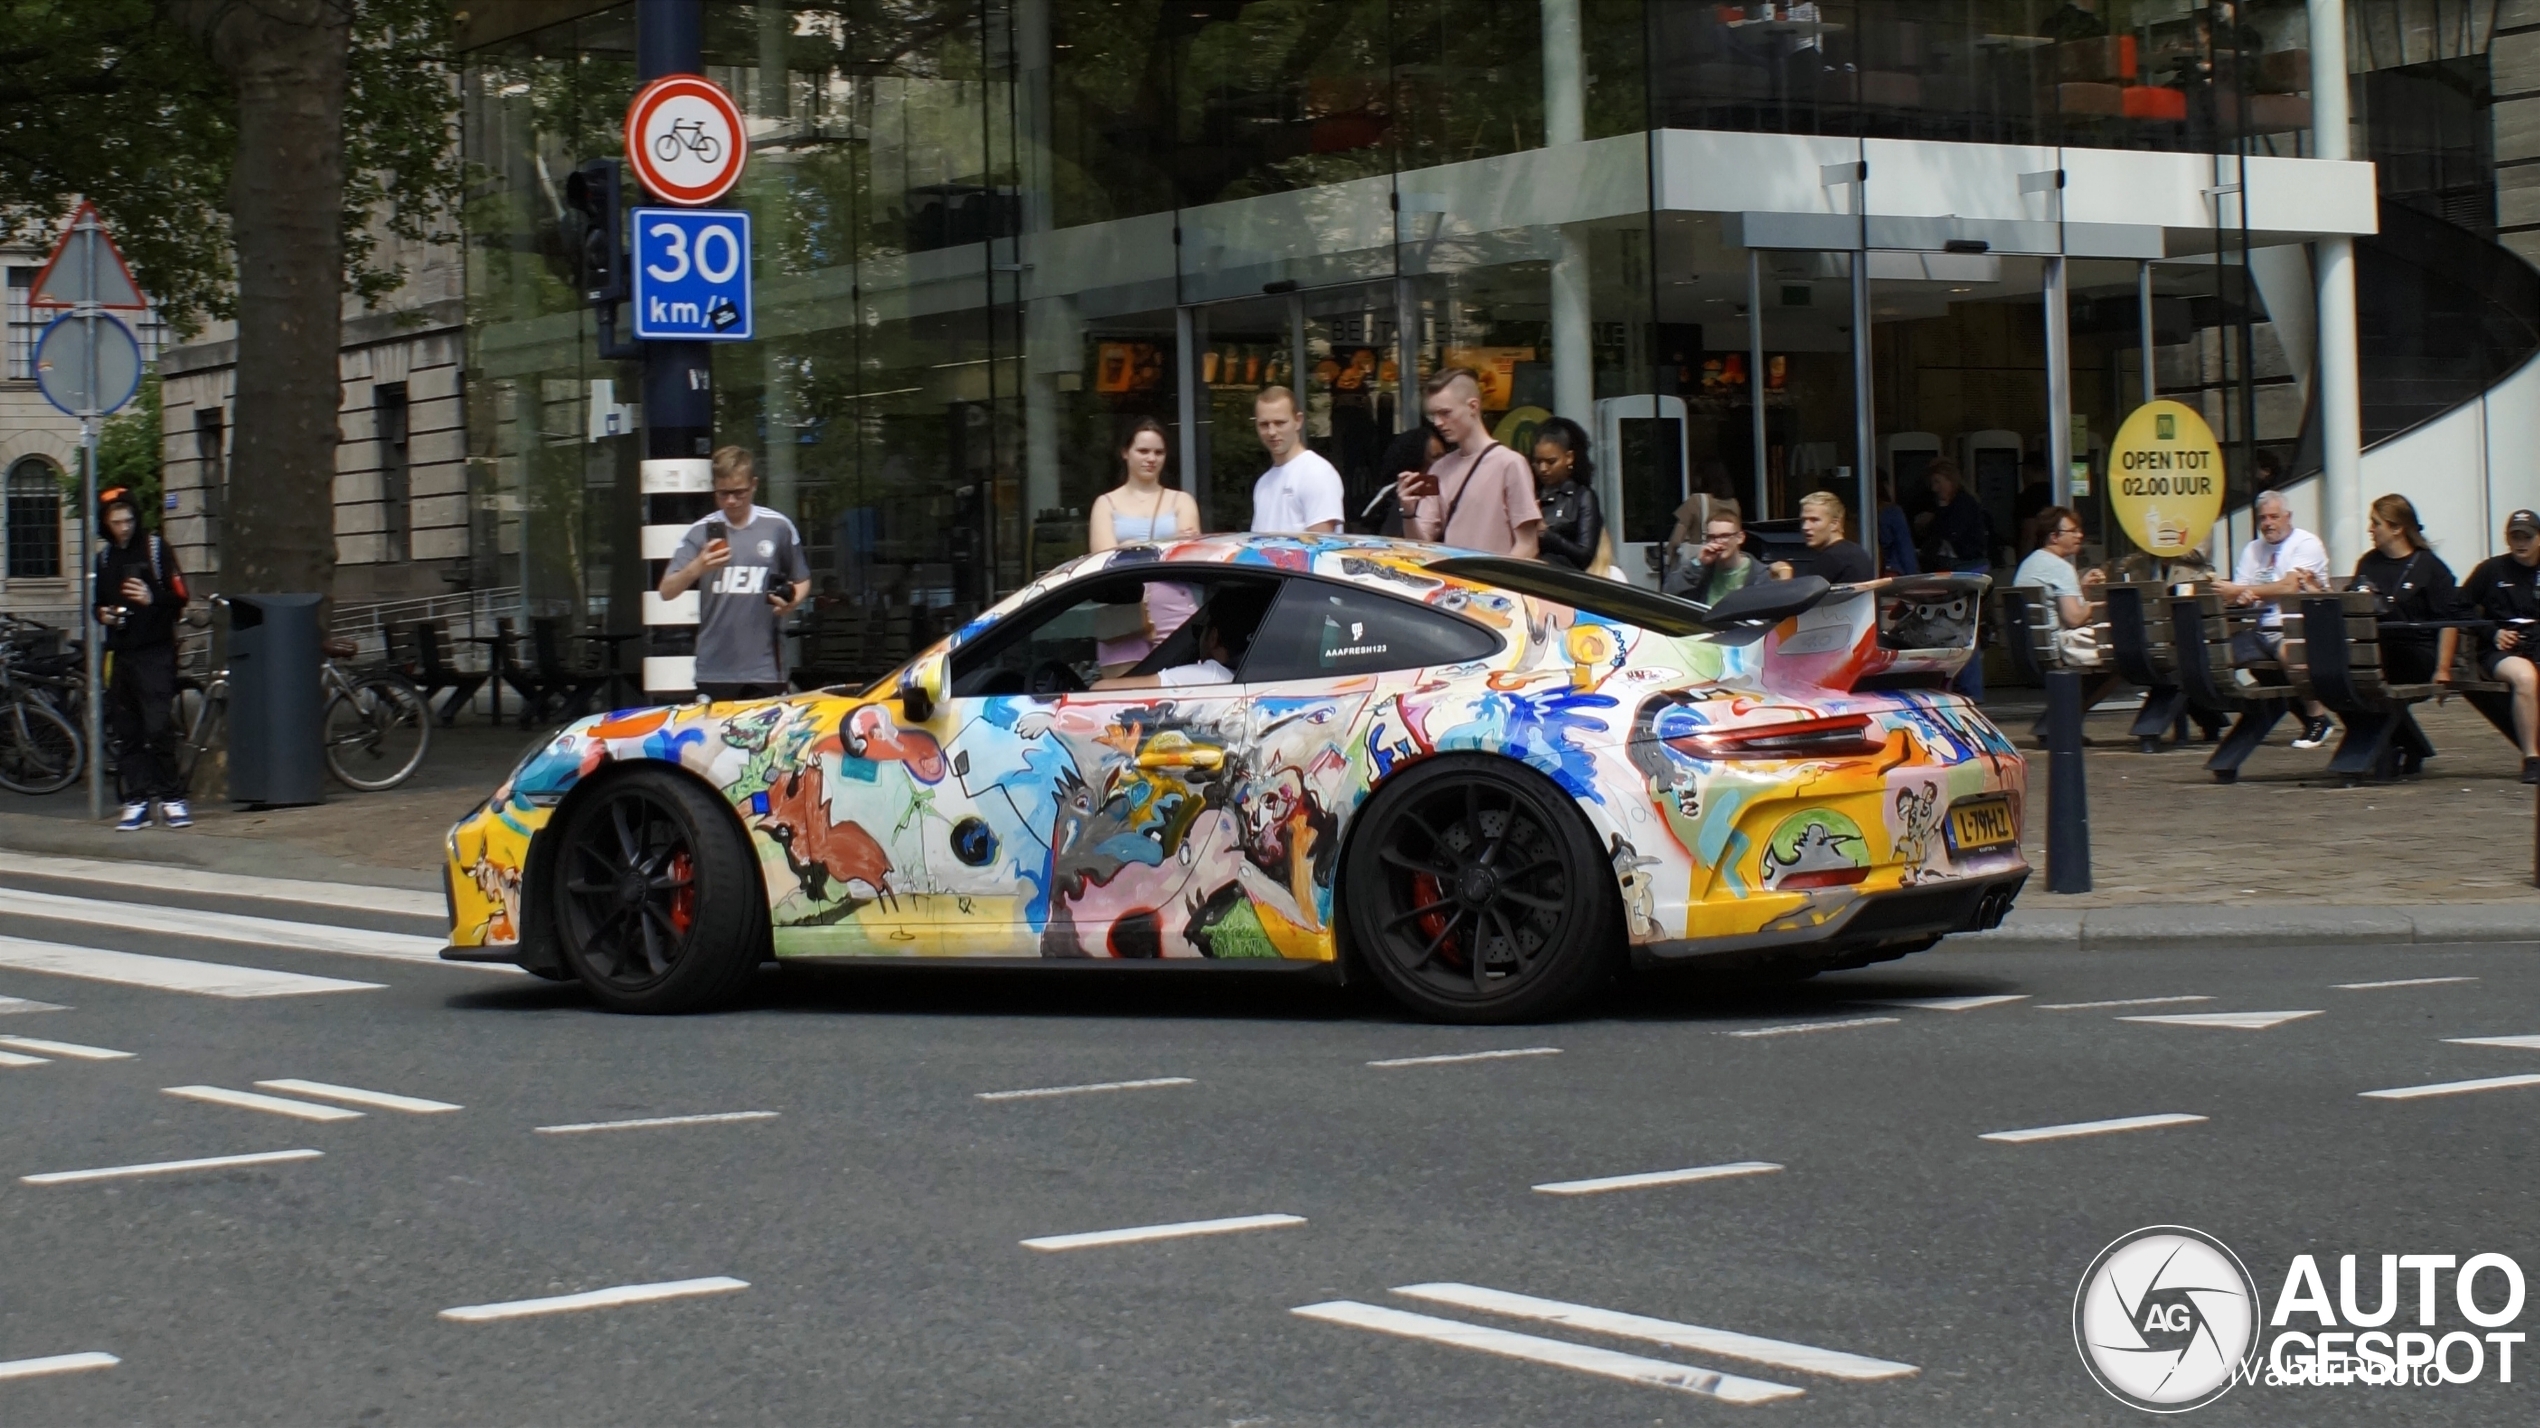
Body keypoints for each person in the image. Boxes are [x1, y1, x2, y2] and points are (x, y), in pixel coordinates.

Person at [659, 445, 812, 702]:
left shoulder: (777, 527)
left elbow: (802, 579)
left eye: (738, 493)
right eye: (723, 493)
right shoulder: (699, 532)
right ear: (714, 489)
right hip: (714, 667)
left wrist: (793, 601)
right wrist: (698, 567)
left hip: (765, 669)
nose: (731, 501)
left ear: (753, 485)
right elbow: (666, 590)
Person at [93, 490, 190, 831]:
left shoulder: (155, 549)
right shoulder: (104, 560)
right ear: (106, 523)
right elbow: (96, 605)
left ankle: (172, 798)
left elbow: (181, 597)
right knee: (127, 730)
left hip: (155, 651)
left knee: (158, 726)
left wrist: (152, 598)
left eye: (128, 521)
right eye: (116, 522)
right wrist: (103, 615)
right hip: (120, 653)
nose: (124, 528)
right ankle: (136, 800)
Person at [2215, 488, 2335, 749]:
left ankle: (2317, 718)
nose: (2268, 524)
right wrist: (2239, 596)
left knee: (2291, 656)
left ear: (2288, 516)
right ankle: (2240, 710)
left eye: (2274, 517)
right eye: (2263, 518)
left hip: (2296, 627)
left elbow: (2288, 588)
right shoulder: (2253, 549)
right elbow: (2241, 590)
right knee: (2213, 657)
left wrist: (2242, 591)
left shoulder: (2306, 543)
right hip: (2259, 629)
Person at [1088, 418, 1203, 674]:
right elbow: (1104, 561)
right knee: (1119, 701)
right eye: (1143, 451)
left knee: (1181, 698)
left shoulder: (1181, 500)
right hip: (1123, 612)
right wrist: (1169, 543)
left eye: (1158, 452)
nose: (1151, 458)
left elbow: (1189, 557)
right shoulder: (1106, 503)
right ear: (1125, 452)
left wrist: (1130, 547)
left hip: (1175, 610)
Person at [1397, 367, 1542, 556]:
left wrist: (1494, 582)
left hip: (1492, 580)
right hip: (1454, 581)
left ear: (1473, 406)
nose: (1438, 422)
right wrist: (1407, 511)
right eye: (1433, 415)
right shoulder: (1440, 468)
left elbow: (1528, 545)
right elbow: (1420, 546)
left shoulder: (1510, 464)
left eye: (1445, 413)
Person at [2349, 493, 2459, 690]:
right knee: (2335, 679)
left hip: (2413, 653)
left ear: (2397, 528)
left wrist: (2443, 668)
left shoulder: (2430, 567)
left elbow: (2448, 622)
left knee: (2362, 673)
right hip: (2372, 651)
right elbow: (2350, 605)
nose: (2370, 530)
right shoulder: (2368, 563)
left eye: (2376, 523)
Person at [2463, 508, 2540, 784]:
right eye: (2515, 536)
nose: (2521, 543)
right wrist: (2492, 632)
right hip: (2502, 651)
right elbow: (2459, 608)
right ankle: (2532, 757)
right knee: (2525, 676)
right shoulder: (2491, 570)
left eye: (2527, 537)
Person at [2013, 505, 2120, 704]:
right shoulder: (2060, 567)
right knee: (2124, 658)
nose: (2080, 535)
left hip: (2030, 647)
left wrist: (2081, 588)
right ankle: (2068, 719)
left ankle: (2057, 722)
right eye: (2073, 531)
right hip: (2057, 648)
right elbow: (2074, 618)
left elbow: (2053, 604)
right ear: (2054, 536)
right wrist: (2098, 600)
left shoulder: (2031, 563)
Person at [1248, 385, 1344, 536]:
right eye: (1264, 424)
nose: (1272, 432)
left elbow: (1321, 546)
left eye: (1280, 423)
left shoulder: (1317, 473)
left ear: (1298, 421)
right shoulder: (1263, 483)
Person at [1529, 417, 1604, 573]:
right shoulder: (1530, 493)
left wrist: (1547, 535)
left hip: (1563, 581)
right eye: (1537, 461)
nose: (1543, 468)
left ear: (1569, 457)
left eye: (1551, 461)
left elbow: (1584, 554)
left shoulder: (1582, 496)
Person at [1769, 490, 1874, 584]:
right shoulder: (1856, 552)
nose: (1805, 527)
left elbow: (1798, 602)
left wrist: (1784, 573)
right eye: (1803, 520)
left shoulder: (1831, 558)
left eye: (1814, 520)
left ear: (1834, 524)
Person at [1673, 499, 1762, 605]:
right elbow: (1670, 592)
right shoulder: (1701, 570)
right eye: (1712, 537)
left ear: (1740, 538)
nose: (1718, 542)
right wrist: (1698, 563)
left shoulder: (1759, 575)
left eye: (1724, 536)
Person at [1367, 422, 1444, 537]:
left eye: (1444, 456)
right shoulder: (1393, 497)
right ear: (1416, 462)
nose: (1443, 462)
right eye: (1436, 457)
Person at [1922, 458, 1991, 575]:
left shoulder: (1963, 503)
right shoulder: (1936, 504)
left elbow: (1951, 532)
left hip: (1966, 563)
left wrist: (1939, 514)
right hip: (1946, 563)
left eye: (1937, 482)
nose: (1934, 488)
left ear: (1950, 481)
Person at [1876, 475, 1919, 578]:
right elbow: (1904, 546)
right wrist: (1914, 577)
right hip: (1892, 572)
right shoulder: (1892, 512)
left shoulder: (1858, 514)